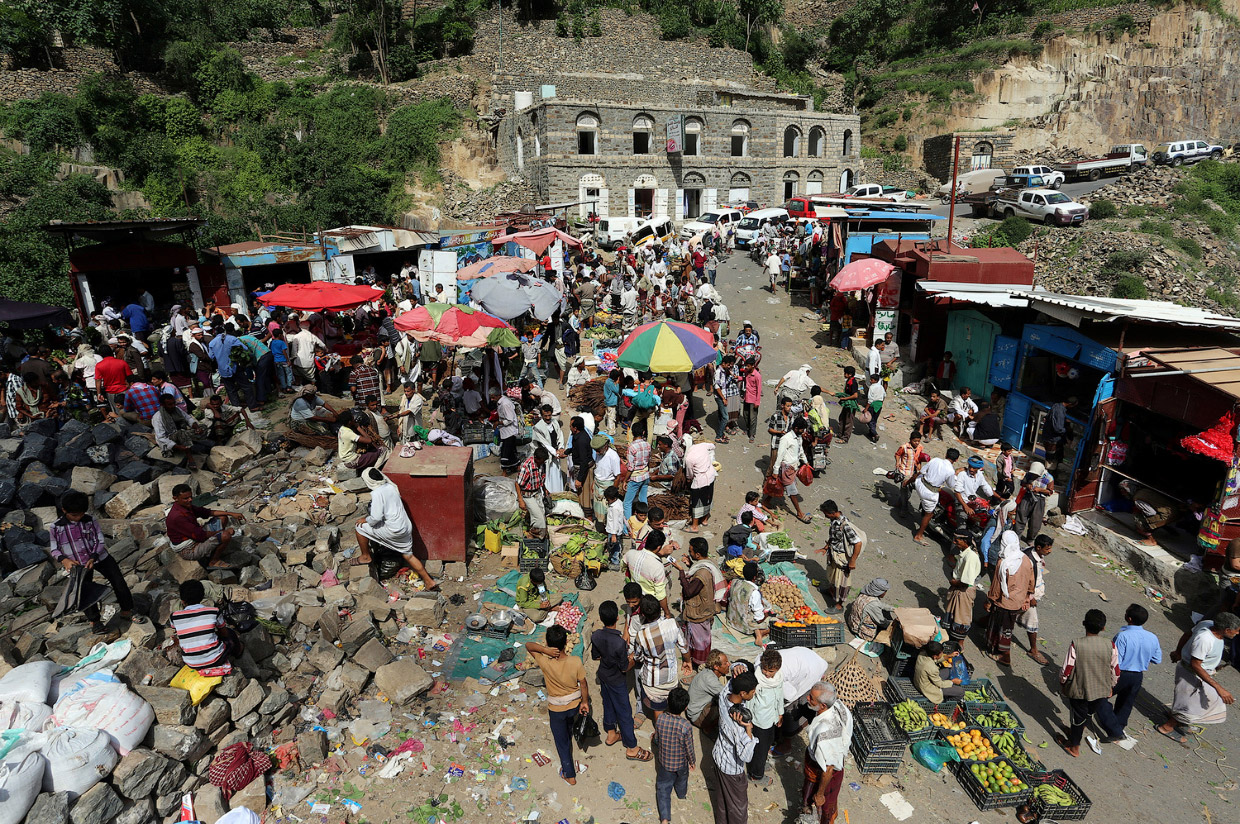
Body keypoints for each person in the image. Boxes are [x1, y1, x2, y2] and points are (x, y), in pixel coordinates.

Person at [49, 490, 135, 635]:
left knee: (118, 581)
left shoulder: (90, 520)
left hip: (100, 557)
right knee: (84, 591)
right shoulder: (56, 527)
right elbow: (54, 549)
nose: (78, 518)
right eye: (74, 515)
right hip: (78, 564)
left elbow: (99, 540)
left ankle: (127, 610)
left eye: (81, 514)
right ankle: (95, 621)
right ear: (64, 510)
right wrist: (64, 560)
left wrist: (93, 557)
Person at [1155, 612, 1240, 742]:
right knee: (1192, 704)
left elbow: (1188, 634)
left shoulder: (1207, 625)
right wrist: (1219, 688)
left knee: (1189, 701)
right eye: (1236, 631)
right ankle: (1167, 727)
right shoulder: (1205, 639)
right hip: (1192, 674)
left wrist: (1179, 651)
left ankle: (1179, 720)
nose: (1237, 633)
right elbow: (1196, 665)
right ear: (1226, 630)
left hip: (1199, 672)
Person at [352, 467, 437, 589]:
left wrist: (365, 520)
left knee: (359, 527)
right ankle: (429, 581)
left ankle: (365, 556)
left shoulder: (377, 493)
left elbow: (375, 518)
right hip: (405, 527)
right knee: (408, 555)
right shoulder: (390, 486)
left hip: (393, 530)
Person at [526, 626, 590, 785]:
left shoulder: (544, 661)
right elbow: (583, 684)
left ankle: (569, 775)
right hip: (574, 705)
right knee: (569, 724)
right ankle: (569, 737)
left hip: (556, 709)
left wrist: (544, 650)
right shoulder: (575, 661)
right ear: (566, 642)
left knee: (561, 743)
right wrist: (585, 702)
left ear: (548, 643)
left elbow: (528, 645)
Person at [590, 600, 650, 762]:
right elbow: (624, 668)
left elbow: (596, 656)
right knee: (624, 712)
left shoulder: (596, 635)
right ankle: (632, 747)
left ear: (601, 618)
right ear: (617, 618)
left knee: (608, 704)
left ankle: (611, 734)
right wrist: (632, 658)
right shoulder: (619, 643)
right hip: (617, 680)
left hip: (604, 675)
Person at [1055, 609, 1120, 758]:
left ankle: (1074, 747)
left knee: (1078, 717)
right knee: (1087, 715)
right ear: (1103, 628)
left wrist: (1063, 683)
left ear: (1084, 624)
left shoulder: (1077, 644)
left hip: (1080, 690)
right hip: (1101, 690)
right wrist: (1111, 686)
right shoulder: (1110, 645)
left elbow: (1066, 669)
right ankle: (1074, 734)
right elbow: (1115, 670)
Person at [1096, 603, 1162, 742]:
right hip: (1137, 675)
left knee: (1100, 697)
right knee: (1126, 703)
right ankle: (1119, 726)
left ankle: (1114, 730)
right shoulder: (1152, 637)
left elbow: (1115, 660)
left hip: (1121, 673)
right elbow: (1157, 659)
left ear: (1129, 618)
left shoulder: (1123, 636)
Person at [629, 594, 688, 718]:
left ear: (643, 615)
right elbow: (684, 646)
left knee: (658, 709)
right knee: (672, 707)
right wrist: (687, 661)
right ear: (659, 609)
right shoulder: (672, 623)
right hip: (671, 678)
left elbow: (638, 657)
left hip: (653, 683)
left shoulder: (642, 635)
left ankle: (660, 732)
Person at [801, 682, 852, 824]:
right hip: (833, 759)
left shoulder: (824, 733)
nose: (807, 698)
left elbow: (828, 769)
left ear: (823, 705)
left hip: (825, 772)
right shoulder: (840, 706)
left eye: (811, 698)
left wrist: (820, 793)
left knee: (821, 803)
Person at [712, 670, 759, 824]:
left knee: (722, 801)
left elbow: (731, 683)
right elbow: (745, 756)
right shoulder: (737, 726)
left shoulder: (724, 698)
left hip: (719, 757)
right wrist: (748, 729)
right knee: (738, 809)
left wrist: (739, 666)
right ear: (743, 693)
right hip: (732, 769)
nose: (754, 694)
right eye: (753, 692)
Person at [669, 537, 722, 669]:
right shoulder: (707, 563)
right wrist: (690, 565)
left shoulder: (702, 573)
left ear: (697, 554)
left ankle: (700, 663)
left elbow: (689, 592)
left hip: (699, 612)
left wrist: (681, 571)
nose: (689, 553)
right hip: (705, 608)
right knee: (702, 639)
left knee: (699, 641)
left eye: (691, 551)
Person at [986, 532, 1036, 667]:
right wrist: (1027, 597)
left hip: (1004, 602)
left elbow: (996, 586)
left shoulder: (1003, 563)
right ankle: (1000, 651)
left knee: (1000, 628)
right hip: (1017, 602)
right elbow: (1032, 581)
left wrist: (990, 600)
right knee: (1008, 628)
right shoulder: (1025, 559)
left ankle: (1004, 656)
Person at [165, 484, 244, 568]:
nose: (190, 500)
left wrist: (230, 513)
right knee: (225, 535)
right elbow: (200, 535)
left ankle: (214, 548)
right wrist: (223, 532)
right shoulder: (178, 516)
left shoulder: (186, 506)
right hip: (189, 549)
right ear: (175, 498)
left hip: (195, 536)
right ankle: (214, 561)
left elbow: (207, 512)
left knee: (222, 518)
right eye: (186, 498)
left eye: (191, 497)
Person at [171, 581, 243, 672]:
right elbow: (224, 633)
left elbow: (179, 631)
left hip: (191, 663)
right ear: (202, 596)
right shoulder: (213, 611)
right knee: (230, 633)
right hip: (216, 659)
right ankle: (239, 651)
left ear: (182, 601)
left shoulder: (174, 616)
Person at [654, 686, 695, 824]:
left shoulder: (660, 719)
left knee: (663, 788)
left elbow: (657, 739)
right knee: (682, 780)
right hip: (681, 763)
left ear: (668, 703)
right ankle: (681, 794)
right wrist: (692, 761)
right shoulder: (686, 726)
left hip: (665, 762)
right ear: (685, 708)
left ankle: (664, 819)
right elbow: (689, 747)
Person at [912, 448, 966, 545]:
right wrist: (956, 473)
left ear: (946, 455)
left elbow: (921, 472)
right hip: (929, 493)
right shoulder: (950, 471)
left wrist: (908, 481)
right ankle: (918, 536)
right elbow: (951, 485)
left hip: (920, 483)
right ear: (956, 460)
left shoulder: (935, 460)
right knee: (930, 514)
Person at [819, 499, 865, 612]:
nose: (825, 516)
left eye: (826, 514)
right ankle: (831, 592)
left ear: (833, 512)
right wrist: (827, 546)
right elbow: (834, 535)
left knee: (842, 581)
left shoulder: (845, 525)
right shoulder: (834, 520)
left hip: (842, 558)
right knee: (833, 576)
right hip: (835, 553)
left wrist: (852, 561)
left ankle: (839, 606)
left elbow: (858, 543)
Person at [1018, 534, 1055, 665]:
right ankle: (1033, 650)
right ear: (1038, 547)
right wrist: (1030, 597)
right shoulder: (1029, 560)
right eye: (1047, 549)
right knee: (1032, 622)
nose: (1049, 551)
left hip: (1031, 594)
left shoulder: (1036, 554)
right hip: (1026, 596)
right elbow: (1025, 580)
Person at [945, 528, 982, 651]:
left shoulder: (970, 557)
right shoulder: (964, 553)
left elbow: (966, 581)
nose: (955, 542)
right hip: (958, 588)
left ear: (965, 541)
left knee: (962, 617)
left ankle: (960, 643)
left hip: (964, 590)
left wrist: (954, 582)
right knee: (955, 615)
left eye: (957, 540)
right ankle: (952, 638)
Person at [773, 418, 812, 523]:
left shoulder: (798, 438)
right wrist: (775, 471)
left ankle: (765, 501)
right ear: (796, 428)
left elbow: (800, 450)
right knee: (792, 491)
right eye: (801, 429)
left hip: (794, 467)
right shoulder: (786, 439)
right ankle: (799, 513)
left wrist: (805, 461)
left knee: (779, 485)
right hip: (787, 468)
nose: (803, 432)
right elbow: (779, 455)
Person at [152, 393, 206, 467]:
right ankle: (190, 458)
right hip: (170, 439)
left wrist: (197, 428)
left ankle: (191, 443)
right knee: (181, 433)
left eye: (174, 403)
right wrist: (178, 447)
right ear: (163, 405)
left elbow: (188, 419)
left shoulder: (177, 410)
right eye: (170, 404)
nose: (173, 406)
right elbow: (161, 437)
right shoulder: (158, 417)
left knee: (203, 427)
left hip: (183, 434)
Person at [726, 561, 769, 647]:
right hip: (744, 626)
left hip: (731, 619)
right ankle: (760, 633)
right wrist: (766, 615)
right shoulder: (754, 592)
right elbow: (759, 618)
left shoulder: (735, 582)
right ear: (754, 577)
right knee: (770, 622)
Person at [687, 650, 731, 731]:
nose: (729, 665)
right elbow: (727, 696)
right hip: (697, 716)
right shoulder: (710, 679)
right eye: (725, 663)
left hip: (695, 708)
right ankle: (708, 728)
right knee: (728, 706)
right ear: (716, 667)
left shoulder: (708, 673)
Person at [1013, 462, 1054, 542]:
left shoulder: (1049, 478)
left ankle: (1030, 539)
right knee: (1021, 515)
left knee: (1035, 521)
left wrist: (1040, 490)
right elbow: (1023, 483)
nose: (1034, 476)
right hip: (1028, 497)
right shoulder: (1029, 474)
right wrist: (1027, 485)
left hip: (1039, 500)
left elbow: (1050, 492)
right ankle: (1016, 536)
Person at [336, 410, 386, 474]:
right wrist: (358, 427)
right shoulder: (349, 433)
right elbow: (369, 440)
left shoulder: (342, 429)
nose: (354, 419)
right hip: (351, 461)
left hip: (344, 458)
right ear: (349, 422)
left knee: (370, 452)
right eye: (352, 418)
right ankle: (374, 470)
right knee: (382, 450)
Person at [516, 446, 551, 540]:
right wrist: (520, 500)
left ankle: (533, 535)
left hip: (537, 492)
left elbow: (541, 478)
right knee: (539, 520)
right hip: (527, 495)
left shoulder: (542, 464)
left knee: (542, 515)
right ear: (536, 458)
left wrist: (544, 489)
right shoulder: (527, 466)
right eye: (542, 460)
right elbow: (517, 484)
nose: (543, 462)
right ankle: (536, 536)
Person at [684, 439, 717, 533]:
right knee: (708, 497)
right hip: (710, 476)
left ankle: (694, 526)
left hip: (700, 481)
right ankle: (705, 520)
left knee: (697, 502)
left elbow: (689, 474)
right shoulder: (703, 446)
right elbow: (713, 446)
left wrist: (688, 480)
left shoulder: (689, 458)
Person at [624, 419, 652, 518]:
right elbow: (649, 460)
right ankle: (645, 519)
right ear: (643, 432)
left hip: (635, 478)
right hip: (645, 476)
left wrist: (625, 480)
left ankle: (627, 527)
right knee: (643, 499)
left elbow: (630, 467)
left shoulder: (631, 447)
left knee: (627, 503)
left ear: (632, 433)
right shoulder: (647, 445)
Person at [892, 430, 926, 511]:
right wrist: (897, 462)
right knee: (905, 491)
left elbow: (919, 459)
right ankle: (903, 510)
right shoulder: (904, 447)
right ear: (910, 440)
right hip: (904, 471)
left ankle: (899, 503)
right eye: (915, 441)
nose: (917, 443)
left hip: (913, 472)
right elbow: (897, 454)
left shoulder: (920, 447)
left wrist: (919, 469)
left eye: (918, 441)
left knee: (908, 492)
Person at [592, 435, 622, 523]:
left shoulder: (613, 456)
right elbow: (597, 468)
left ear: (605, 447)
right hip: (598, 484)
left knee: (607, 512)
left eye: (598, 450)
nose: (597, 453)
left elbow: (618, 477)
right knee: (598, 510)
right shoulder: (599, 453)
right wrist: (593, 483)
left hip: (607, 487)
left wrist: (612, 493)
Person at [493, 385, 521, 476]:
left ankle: (504, 471)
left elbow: (510, 419)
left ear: (497, 396)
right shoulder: (501, 402)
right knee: (511, 450)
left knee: (505, 451)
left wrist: (498, 423)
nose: (492, 399)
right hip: (506, 431)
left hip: (510, 431)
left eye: (493, 397)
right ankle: (516, 466)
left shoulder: (505, 404)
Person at [1045, 396, 1078, 461]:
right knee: (1052, 457)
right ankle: (1050, 469)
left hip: (1049, 435)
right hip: (1053, 438)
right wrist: (1066, 431)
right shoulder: (1060, 412)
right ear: (1070, 404)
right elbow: (1058, 428)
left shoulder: (1056, 405)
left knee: (1051, 455)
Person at [766, 396, 794, 471]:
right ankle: (768, 481)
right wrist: (779, 432)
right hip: (776, 443)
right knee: (773, 465)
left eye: (790, 406)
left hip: (786, 445)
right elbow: (769, 429)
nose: (789, 408)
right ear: (782, 406)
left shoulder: (790, 416)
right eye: (788, 406)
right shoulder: (775, 415)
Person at [836, 365, 860, 444]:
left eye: (845, 373)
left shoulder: (853, 383)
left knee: (848, 422)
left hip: (851, 404)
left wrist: (845, 398)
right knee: (842, 418)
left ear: (850, 374)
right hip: (847, 404)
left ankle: (845, 438)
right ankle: (840, 434)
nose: (844, 375)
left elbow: (855, 395)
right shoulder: (848, 381)